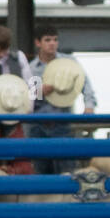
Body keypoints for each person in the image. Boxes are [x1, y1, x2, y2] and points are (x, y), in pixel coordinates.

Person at [26, 23, 95, 174]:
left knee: (66, 170)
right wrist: (41, 91)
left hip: (63, 123)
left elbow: (85, 84)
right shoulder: (32, 68)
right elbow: (29, 100)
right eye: (48, 40)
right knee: (40, 171)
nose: (52, 44)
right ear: (38, 43)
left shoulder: (70, 62)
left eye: (55, 40)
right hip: (39, 126)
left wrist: (89, 105)